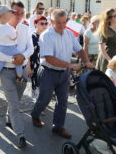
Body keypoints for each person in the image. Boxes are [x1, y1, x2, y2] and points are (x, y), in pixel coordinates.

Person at [31, 9, 94, 139]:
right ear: (52, 21)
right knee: (44, 100)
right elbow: (49, 58)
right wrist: (70, 65)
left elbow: (79, 50)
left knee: (63, 101)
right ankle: (35, 114)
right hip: (48, 72)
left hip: (64, 74)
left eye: (64, 22)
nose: (62, 25)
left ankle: (58, 126)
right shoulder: (46, 35)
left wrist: (87, 61)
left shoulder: (69, 34)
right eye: (58, 22)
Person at [0, 1, 34, 149]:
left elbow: (31, 48)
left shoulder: (25, 28)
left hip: (21, 72)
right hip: (6, 72)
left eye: (22, 13)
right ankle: (20, 135)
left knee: (16, 100)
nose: (19, 16)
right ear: (9, 13)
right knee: (15, 105)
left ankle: (9, 119)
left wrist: (22, 56)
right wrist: (12, 60)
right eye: (16, 12)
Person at [0, 5, 26, 84]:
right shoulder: (9, 28)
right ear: (3, 15)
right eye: (9, 13)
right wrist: (16, 33)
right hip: (9, 48)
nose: (11, 14)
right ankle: (19, 76)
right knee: (19, 59)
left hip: (0, 47)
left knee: (0, 62)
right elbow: (13, 37)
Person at [27, 15, 48, 99]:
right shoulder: (32, 37)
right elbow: (28, 54)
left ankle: (43, 102)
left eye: (46, 23)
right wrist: (28, 67)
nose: (44, 26)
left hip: (46, 65)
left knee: (46, 86)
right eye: (42, 23)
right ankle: (38, 106)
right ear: (35, 24)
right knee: (36, 85)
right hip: (35, 66)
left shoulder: (47, 36)